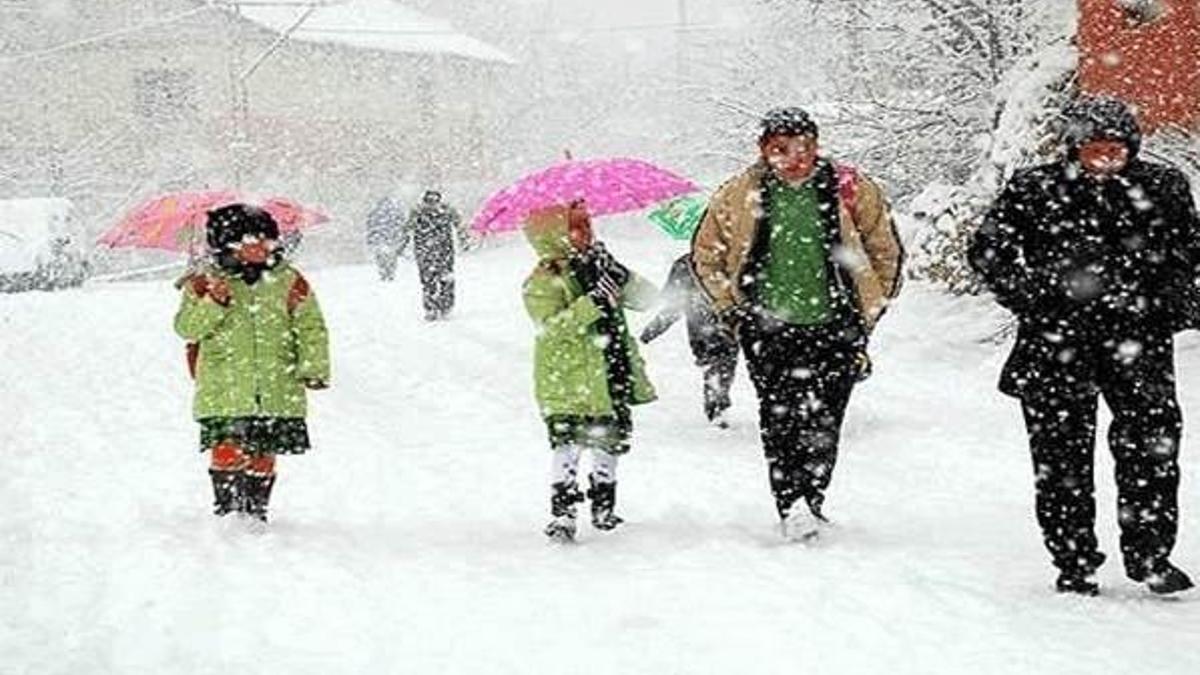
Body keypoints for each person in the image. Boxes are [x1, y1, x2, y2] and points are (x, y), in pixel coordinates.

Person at [968, 95, 1200, 596]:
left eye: (1116, 150)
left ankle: (1151, 556)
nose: (1106, 160)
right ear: (1074, 148)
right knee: (1060, 461)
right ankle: (1074, 561)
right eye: (1095, 150)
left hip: (1139, 342)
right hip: (1055, 345)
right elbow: (988, 250)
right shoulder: (1036, 188)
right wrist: (1031, 297)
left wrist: (1173, 300)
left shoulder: (1163, 187)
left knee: (1152, 450)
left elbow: (1188, 251)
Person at [692, 107, 903, 542]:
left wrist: (871, 304)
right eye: (781, 149)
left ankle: (814, 495)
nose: (795, 158)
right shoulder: (738, 194)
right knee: (780, 415)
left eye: (804, 147)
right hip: (767, 325)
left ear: (817, 146)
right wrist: (733, 307)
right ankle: (791, 502)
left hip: (837, 323)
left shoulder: (849, 188)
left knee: (827, 417)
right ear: (763, 150)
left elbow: (885, 246)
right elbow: (706, 255)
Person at [174, 204, 331, 525]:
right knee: (227, 447)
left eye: (267, 239)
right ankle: (228, 510)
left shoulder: (288, 280)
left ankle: (256, 510)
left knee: (263, 451)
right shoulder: (205, 282)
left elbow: (311, 326)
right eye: (252, 239)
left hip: (276, 385)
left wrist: (313, 368)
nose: (263, 246)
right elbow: (187, 328)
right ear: (229, 244)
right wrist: (213, 302)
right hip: (224, 385)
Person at [522, 200, 658, 542]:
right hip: (569, 378)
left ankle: (604, 507)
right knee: (566, 444)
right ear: (553, 235)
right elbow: (551, 328)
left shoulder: (599, 267)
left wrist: (620, 274)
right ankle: (563, 513)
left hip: (610, 368)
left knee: (609, 441)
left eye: (588, 224)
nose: (586, 232)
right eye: (575, 226)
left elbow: (648, 299)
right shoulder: (543, 280)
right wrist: (591, 303)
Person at [640, 252, 739, 428]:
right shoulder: (728, 261)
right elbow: (674, 305)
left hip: (704, 329)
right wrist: (652, 331)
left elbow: (673, 305)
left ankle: (717, 405)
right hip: (720, 326)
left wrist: (653, 330)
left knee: (716, 365)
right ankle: (717, 404)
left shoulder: (685, 263)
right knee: (720, 365)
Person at [402, 190, 460, 320]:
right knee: (439, 279)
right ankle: (441, 306)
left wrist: (403, 244)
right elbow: (459, 226)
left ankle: (435, 307)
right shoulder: (444, 211)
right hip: (440, 250)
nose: (432, 205)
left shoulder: (419, 212)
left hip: (429, 251)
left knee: (432, 280)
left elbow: (406, 229)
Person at [365, 196, 405, 282]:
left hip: (381, 238)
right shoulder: (395, 213)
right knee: (390, 256)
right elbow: (400, 225)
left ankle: (385, 272)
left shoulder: (375, 212)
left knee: (382, 256)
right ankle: (389, 272)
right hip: (390, 238)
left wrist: (371, 238)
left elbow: (370, 225)